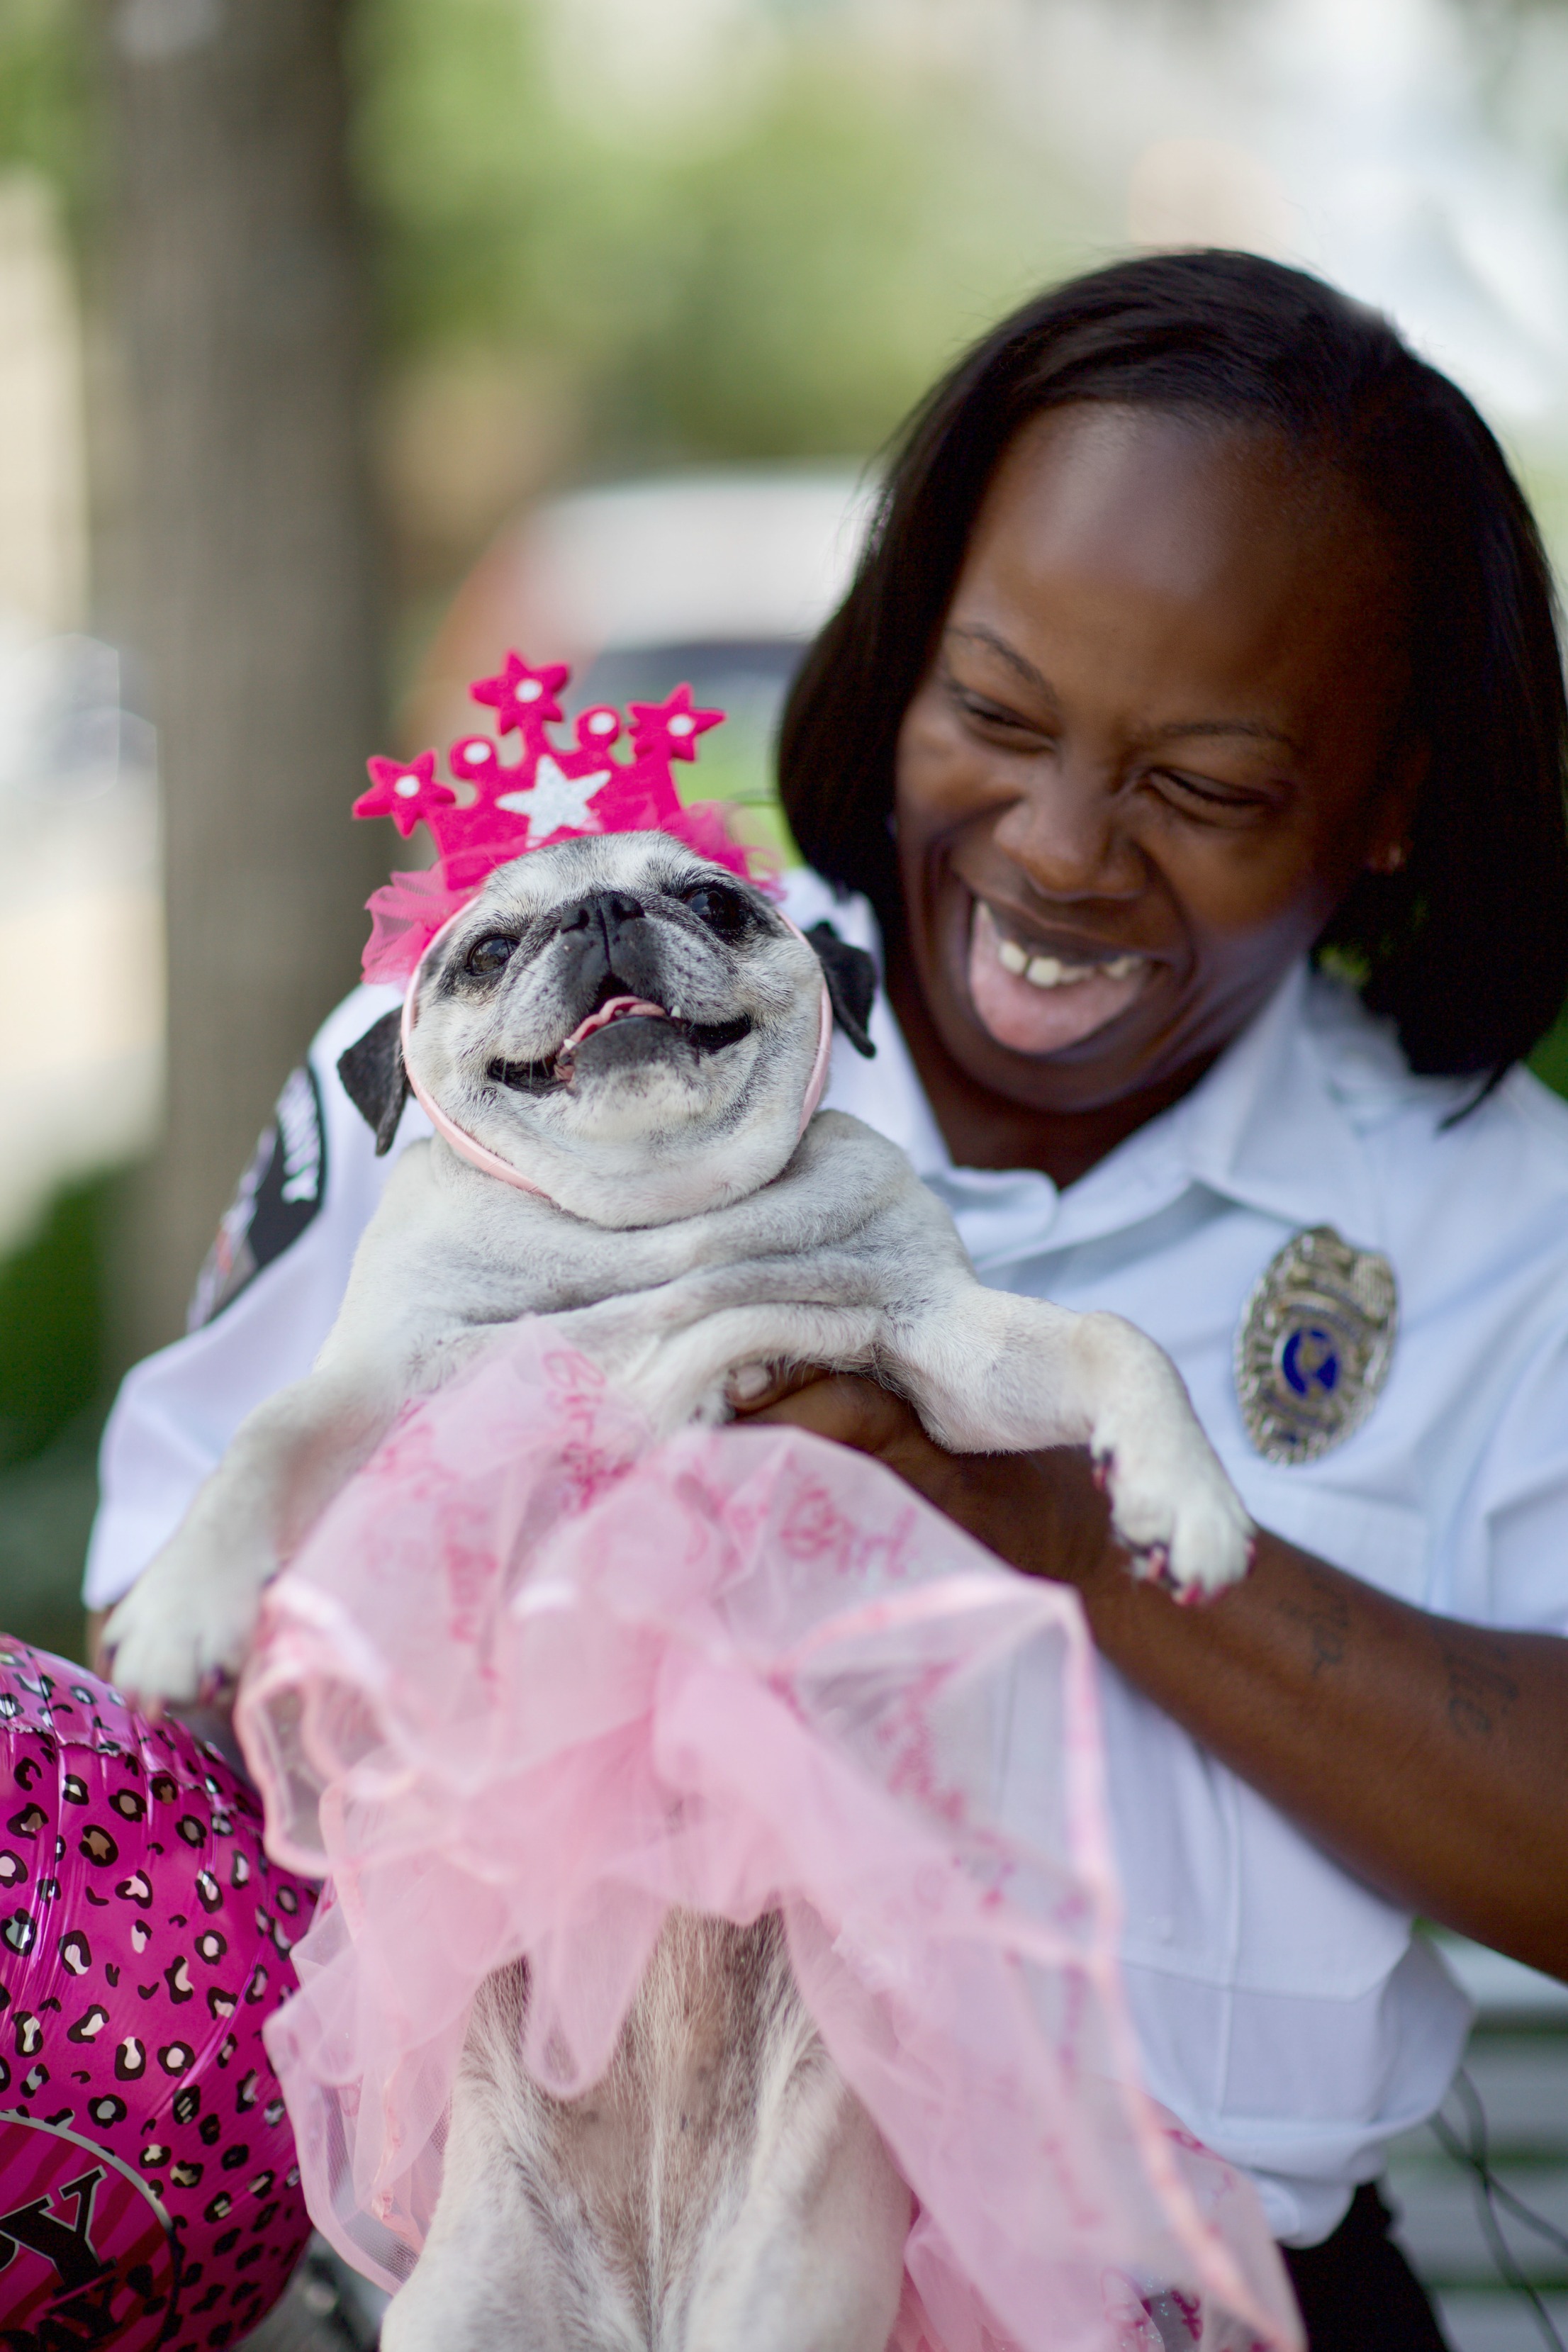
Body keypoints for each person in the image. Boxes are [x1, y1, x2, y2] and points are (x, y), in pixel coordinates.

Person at [84, 251, 1568, 2350]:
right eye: (991, 711)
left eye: (1206, 785)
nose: (1059, 851)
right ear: (894, 653)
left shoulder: (1507, 1224)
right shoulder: (498, 1050)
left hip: (1208, 2301)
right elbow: (158, 1649)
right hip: (558, 2262)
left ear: (1396, 798)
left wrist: (1040, 1511)